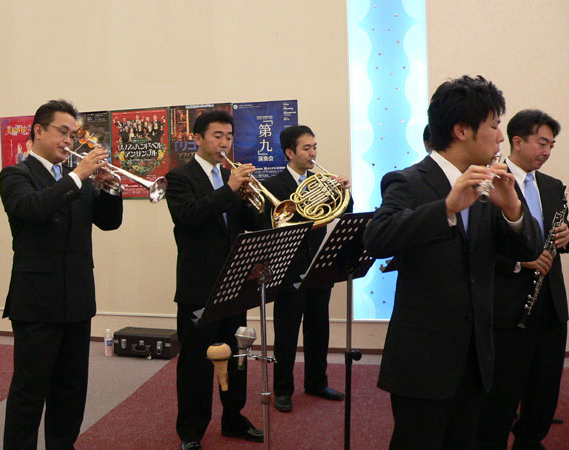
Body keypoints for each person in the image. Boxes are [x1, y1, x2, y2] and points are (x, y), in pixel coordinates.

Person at [363, 75, 541, 449]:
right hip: (423, 360)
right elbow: (377, 238)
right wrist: (445, 208)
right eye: (494, 126)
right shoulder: (408, 181)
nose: (500, 138)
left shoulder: (488, 184)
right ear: (461, 130)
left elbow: (529, 250)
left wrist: (512, 208)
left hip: (476, 358)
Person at [0, 99, 123, 449]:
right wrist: (78, 175)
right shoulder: (16, 175)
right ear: (38, 131)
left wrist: (110, 188)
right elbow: (32, 209)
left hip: (78, 299)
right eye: (62, 132)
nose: (69, 141)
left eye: (72, 134)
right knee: (29, 392)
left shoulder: (76, 180)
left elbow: (109, 222)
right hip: (36, 302)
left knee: (70, 391)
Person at [164, 110, 264, 450]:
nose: (225, 142)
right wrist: (231, 189)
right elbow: (188, 216)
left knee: (237, 356)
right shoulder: (179, 177)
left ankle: (234, 418)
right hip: (198, 286)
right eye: (217, 135)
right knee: (196, 362)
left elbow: (250, 224)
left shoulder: (228, 176)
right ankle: (191, 432)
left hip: (234, 283)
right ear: (198, 138)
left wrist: (251, 199)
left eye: (229, 137)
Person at [477, 109, 568, 450]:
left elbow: (559, 241)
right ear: (517, 141)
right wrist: (519, 261)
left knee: (544, 390)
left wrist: (568, 235)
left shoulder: (553, 186)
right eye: (542, 143)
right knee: (502, 392)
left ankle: (529, 440)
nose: (547, 151)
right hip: (507, 308)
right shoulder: (490, 182)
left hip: (550, 306)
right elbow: (477, 246)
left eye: (551, 145)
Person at [261, 125, 352, 412]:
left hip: (318, 266)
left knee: (318, 329)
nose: (313, 153)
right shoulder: (273, 185)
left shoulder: (321, 182)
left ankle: (316, 382)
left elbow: (342, 212)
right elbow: (268, 225)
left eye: (314, 147)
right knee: (286, 333)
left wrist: (345, 192)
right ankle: (282, 389)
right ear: (290, 153)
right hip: (288, 269)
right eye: (306, 148)